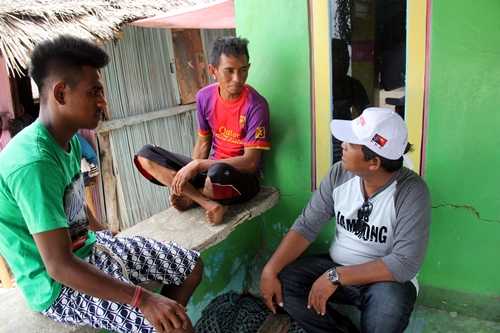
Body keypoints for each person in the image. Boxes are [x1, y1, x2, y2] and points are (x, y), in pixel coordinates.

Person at [0, 35, 203, 333]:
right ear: (60, 94)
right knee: (171, 325)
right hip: (56, 285)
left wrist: (102, 230)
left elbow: (73, 204)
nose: (102, 102)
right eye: (94, 92)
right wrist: (144, 300)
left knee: (191, 267)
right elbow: (59, 266)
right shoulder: (33, 163)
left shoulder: (65, 140)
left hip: (90, 250)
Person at [260, 108, 431, 333]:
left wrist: (336, 276)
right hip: (336, 265)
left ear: (374, 163)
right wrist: (269, 271)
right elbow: (307, 225)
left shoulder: (411, 191)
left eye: (351, 143)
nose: (343, 144)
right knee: (286, 281)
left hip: (386, 282)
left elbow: (404, 264)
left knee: (386, 314)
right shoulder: (339, 173)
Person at [134, 37, 271, 225]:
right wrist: (189, 172)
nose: (238, 79)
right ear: (213, 70)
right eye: (229, 71)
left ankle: (192, 196)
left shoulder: (256, 105)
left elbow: (251, 163)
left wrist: (198, 165)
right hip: (210, 171)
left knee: (218, 174)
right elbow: (204, 142)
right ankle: (207, 202)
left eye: (243, 70)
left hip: (238, 179)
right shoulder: (204, 97)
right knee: (146, 155)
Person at [331, 38, 370, 164]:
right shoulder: (317, 86)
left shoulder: (352, 85)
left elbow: (367, 116)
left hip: (346, 140)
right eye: (338, 58)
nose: (344, 63)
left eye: (346, 58)